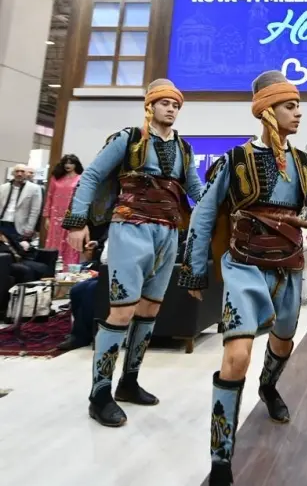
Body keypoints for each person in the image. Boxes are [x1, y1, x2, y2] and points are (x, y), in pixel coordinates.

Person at [178, 70, 307, 486]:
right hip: (243, 267)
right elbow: (204, 213)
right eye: (290, 106)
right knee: (236, 358)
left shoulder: (303, 164)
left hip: (288, 269)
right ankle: (220, 465)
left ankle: (269, 386)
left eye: (299, 105)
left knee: (283, 342)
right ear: (267, 110)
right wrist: (194, 268)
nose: (298, 113)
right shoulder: (233, 160)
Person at [63, 78, 203, 428]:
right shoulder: (128, 138)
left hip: (168, 233)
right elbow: (92, 176)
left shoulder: (184, 148)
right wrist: (77, 221)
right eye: (165, 103)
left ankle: (129, 381)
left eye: (176, 105)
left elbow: (197, 190)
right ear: (150, 105)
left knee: (150, 309)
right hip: (130, 228)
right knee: (122, 310)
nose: (171, 109)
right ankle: (99, 394)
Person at [42, 154, 84, 269]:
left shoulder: (81, 179)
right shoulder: (56, 178)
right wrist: (47, 217)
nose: (67, 165)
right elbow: (49, 197)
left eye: (71, 163)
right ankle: (50, 269)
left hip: (71, 216)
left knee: (69, 243)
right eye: (66, 163)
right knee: (53, 242)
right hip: (55, 216)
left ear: (76, 165)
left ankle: (68, 270)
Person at [0, 164, 43, 242]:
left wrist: (29, 228)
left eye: (22, 171)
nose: (19, 174)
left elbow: (35, 211)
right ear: (13, 173)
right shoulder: (3, 187)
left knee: (17, 248)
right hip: (2, 222)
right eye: (17, 171)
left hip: (19, 226)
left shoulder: (34, 188)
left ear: (26, 173)